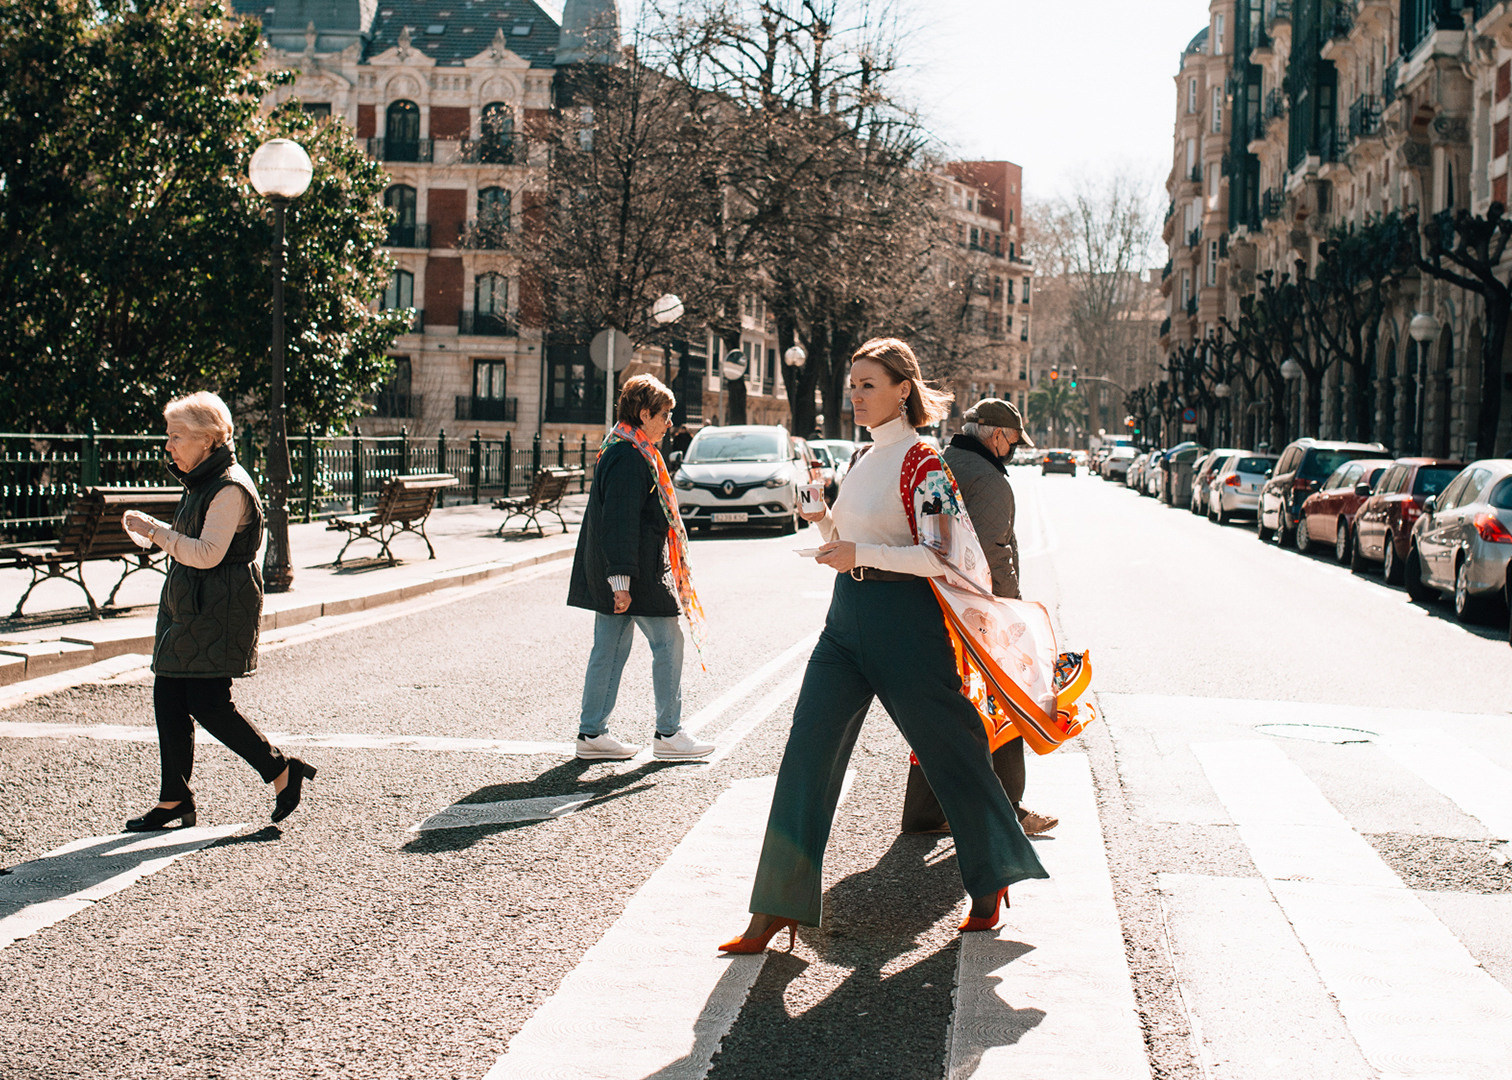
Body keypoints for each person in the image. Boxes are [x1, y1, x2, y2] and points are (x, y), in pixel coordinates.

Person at [720, 339, 1047, 954]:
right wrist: (820, 518)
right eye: (853, 385)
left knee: (953, 754)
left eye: (868, 384)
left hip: (906, 624)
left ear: (904, 390)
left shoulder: (924, 462)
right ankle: (775, 906)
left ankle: (993, 877)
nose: (857, 395)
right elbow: (848, 538)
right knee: (806, 754)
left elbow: (945, 556)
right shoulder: (865, 456)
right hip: (844, 621)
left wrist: (860, 552)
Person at [119, 392, 315, 831]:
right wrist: (156, 532)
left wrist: (155, 531)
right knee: (169, 694)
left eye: (177, 436)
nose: (168, 445)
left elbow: (207, 553)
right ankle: (174, 797)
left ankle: (281, 769)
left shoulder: (228, 487)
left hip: (219, 606)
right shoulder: (202, 481)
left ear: (207, 439)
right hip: (193, 604)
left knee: (208, 702)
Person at [900, 399, 1058, 837]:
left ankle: (924, 812)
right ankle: (1009, 809)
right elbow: (994, 553)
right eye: (1014, 441)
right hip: (977, 612)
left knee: (943, 710)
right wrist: (1012, 610)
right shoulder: (989, 480)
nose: (1014, 450)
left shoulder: (942, 462)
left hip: (932, 604)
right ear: (996, 435)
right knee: (1005, 700)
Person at [566, 374, 714, 762]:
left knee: (609, 649)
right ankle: (669, 733)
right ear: (644, 414)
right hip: (634, 573)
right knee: (668, 643)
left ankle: (592, 733)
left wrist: (617, 578)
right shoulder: (629, 457)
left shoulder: (623, 448)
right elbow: (619, 520)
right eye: (664, 415)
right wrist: (621, 582)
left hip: (619, 570)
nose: (670, 423)